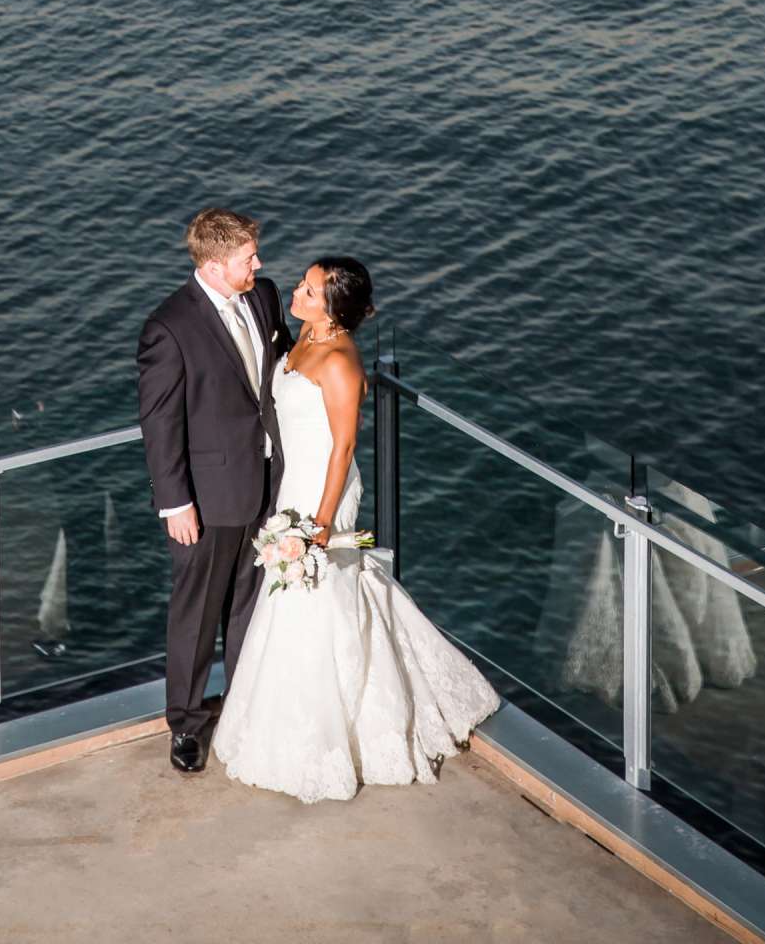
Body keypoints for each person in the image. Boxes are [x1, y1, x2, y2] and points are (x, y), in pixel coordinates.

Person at [212, 256, 499, 802]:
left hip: (323, 491)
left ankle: (331, 734)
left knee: (317, 600)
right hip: (293, 482)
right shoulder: (301, 336)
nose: (296, 291)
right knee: (290, 601)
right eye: (303, 283)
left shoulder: (342, 362)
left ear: (333, 309)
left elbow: (343, 448)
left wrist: (320, 521)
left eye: (310, 290)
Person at [136, 207, 292, 772]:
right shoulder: (169, 328)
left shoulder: (265, 296)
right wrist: (175, 502)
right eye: (250, 256)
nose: (261, 263)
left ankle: (246, 708)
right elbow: (160, 424)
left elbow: (281, 370)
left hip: (265, 484)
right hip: (204, 499)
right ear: (217, 264)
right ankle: (186, 724)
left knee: (251, 608)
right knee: (197, 615)